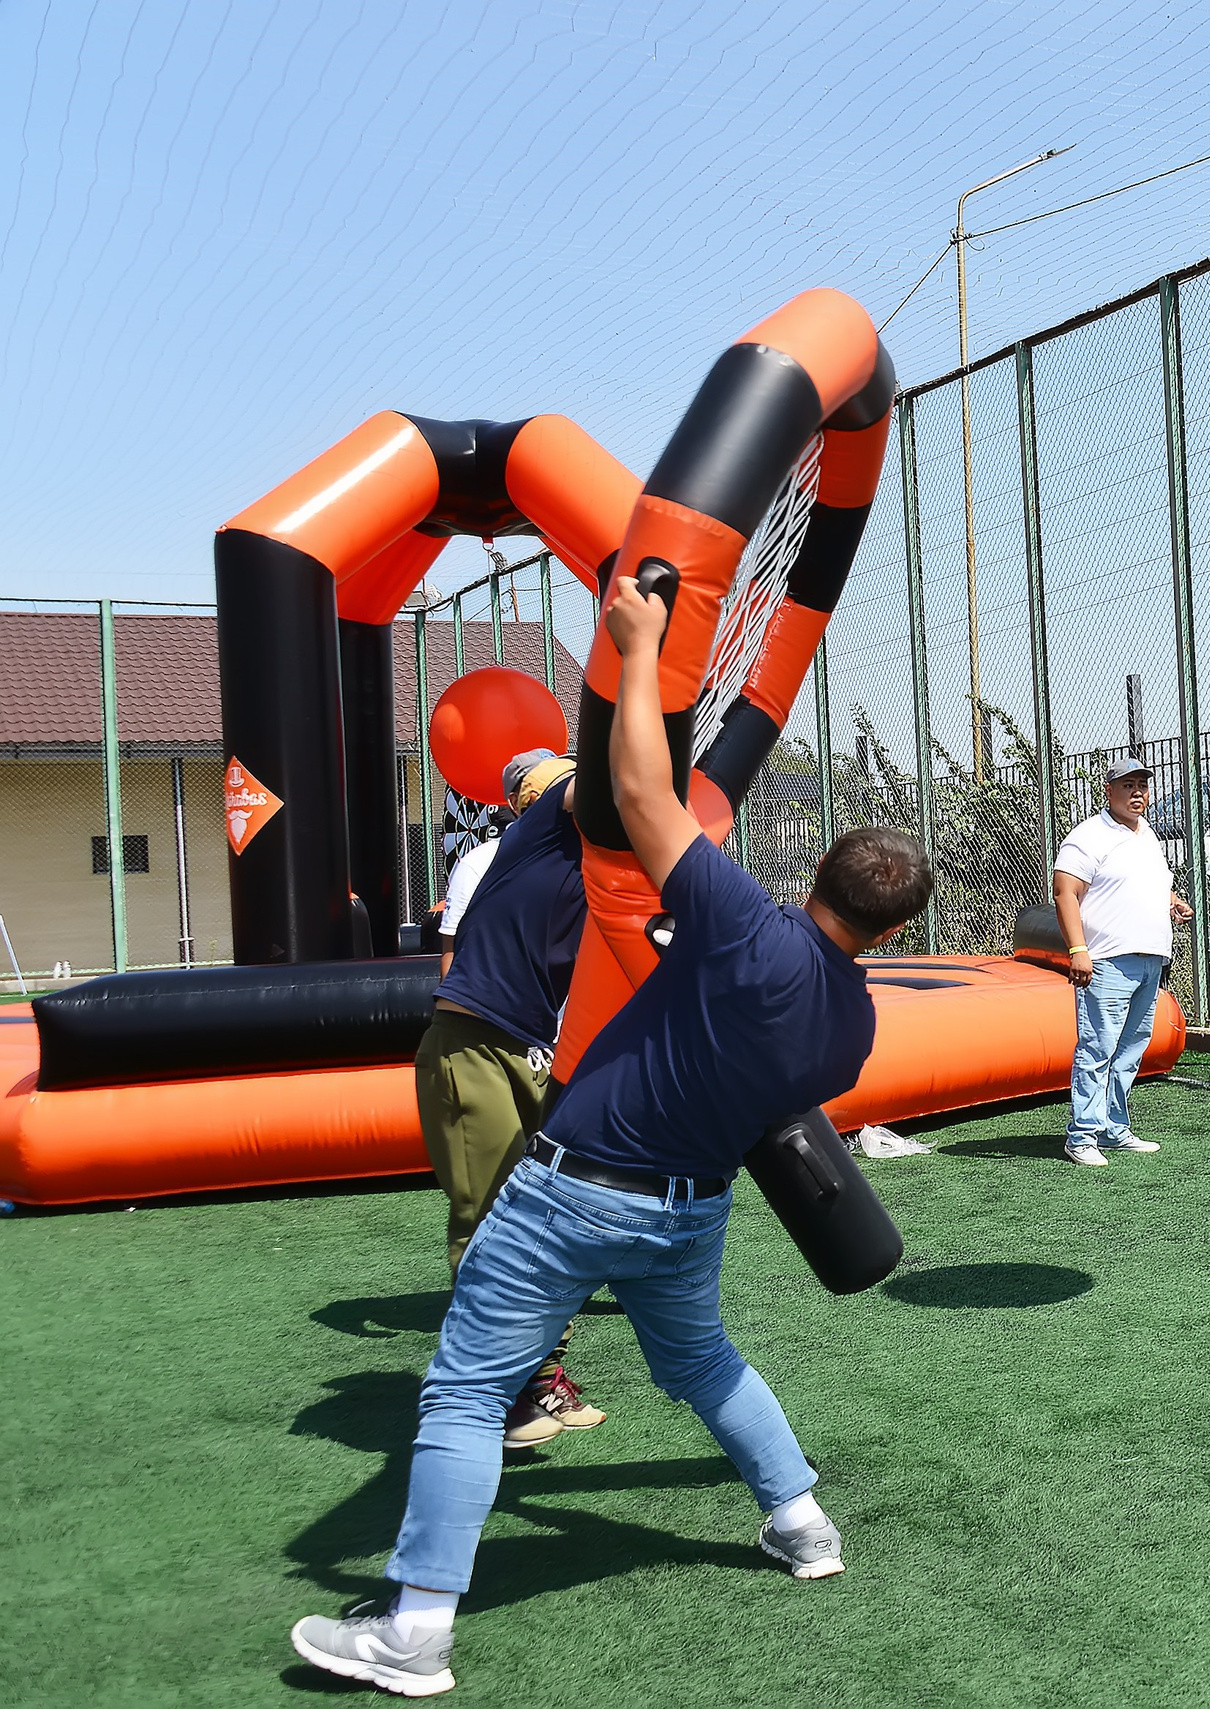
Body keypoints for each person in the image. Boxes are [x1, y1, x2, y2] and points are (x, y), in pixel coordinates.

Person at [290, 573, 935, 1698]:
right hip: (685, 1213)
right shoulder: (852, 1027)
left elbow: (637, 784)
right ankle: (802, 1521)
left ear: (820, 870)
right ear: (895, 926)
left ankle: (415, 1628)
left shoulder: (744, 923)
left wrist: (636, 645)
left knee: (461, 1389)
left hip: (568, 1191)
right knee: (702, 1362)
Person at [415, 747, 599, 1451]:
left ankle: (541, 1372)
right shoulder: (539, 830)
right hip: (474, 1039)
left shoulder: (599, 865)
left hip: (539, 1048)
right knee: (488, 1215)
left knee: (556, 1213)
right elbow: (592, 791)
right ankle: (489, 1391)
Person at [1052, 756, 1193, 1167]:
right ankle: (1082, 1137)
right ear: (1109, 791)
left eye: (1142, 786)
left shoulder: (1146, 834)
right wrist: (1078, 950)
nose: (1137, 793)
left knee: (1131, 1048)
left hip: (1151, 960)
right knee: (1098, 1047)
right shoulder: (1088, 837)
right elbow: (1064, 893)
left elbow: (1145, 885)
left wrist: (1172, 902)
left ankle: (1113, 1129)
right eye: (1127, 786)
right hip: (1108, 961)